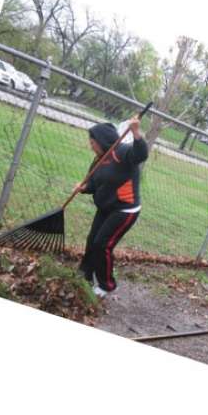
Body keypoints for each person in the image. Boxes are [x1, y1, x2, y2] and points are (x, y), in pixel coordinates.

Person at [75, 116, 148, 298]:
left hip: (124, 210)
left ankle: (107, 285)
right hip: (106, 207)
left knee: (103, 245)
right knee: (92, 240)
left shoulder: (121, 152)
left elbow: (141, 155)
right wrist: (84, 187)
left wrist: (136, 133)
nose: (90, 145)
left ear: (102, 141)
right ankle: (85, 272)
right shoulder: (99, 159)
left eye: (92, 142)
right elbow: (94, 182)